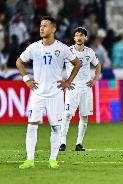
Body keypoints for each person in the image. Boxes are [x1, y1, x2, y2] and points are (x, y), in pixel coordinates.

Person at [16, 16, 81, 169]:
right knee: (31, 125)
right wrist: (26, 79)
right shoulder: (34, 47)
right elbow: (19, 62)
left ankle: (53, 159)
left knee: (55, 127)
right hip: (38, 93)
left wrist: (68, 81)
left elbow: (77, 63)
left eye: (45, 26)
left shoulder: (62, 48)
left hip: (56, 94)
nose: (41, 28)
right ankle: (30, 160)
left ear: (53, 29)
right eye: (40, 26)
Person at [60, 27, 101, 151]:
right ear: (74, 38)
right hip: (73, 87)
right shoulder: (68, 51)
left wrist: (95, 79)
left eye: (82, 35)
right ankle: (62, 143)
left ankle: (79, 143)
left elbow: (98, 65)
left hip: (86, 88)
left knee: (84, 116)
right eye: (77, 35)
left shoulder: (89, 52)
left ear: (85, 38)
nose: (79, 37)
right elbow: (56, 65)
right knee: (67, 114)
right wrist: (64, 81)